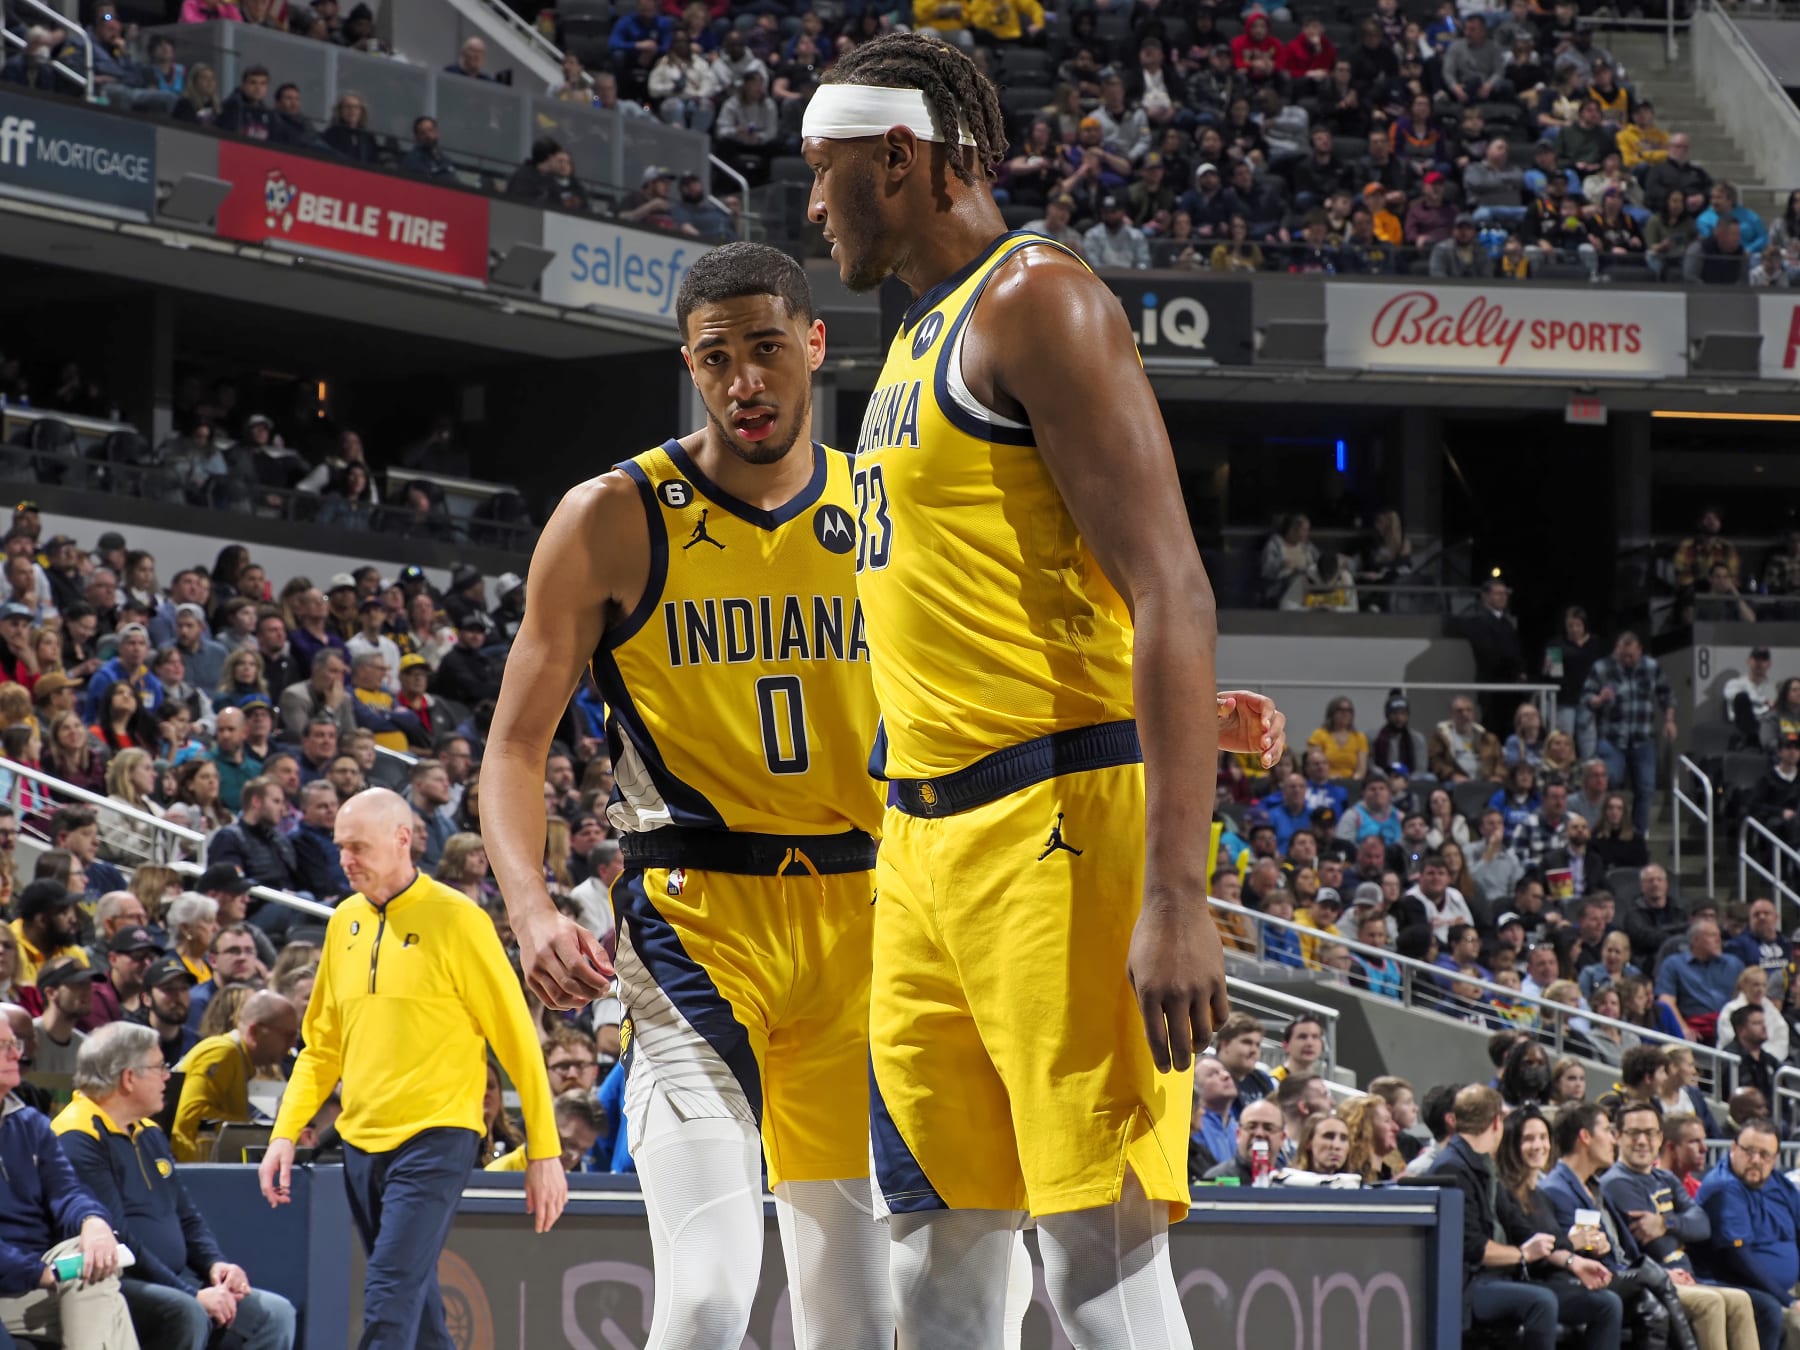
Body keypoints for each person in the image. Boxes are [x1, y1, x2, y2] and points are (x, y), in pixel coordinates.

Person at [795, 42, 1293, 1346]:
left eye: (822, 171)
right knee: (936, 1273)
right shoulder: (913, 340)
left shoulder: (1039, 302)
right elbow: (1016, 579)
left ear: (897, 159)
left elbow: (1173, 582)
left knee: (1097, 1266)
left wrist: (1179, 894)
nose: (809, 205)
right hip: (923, 852)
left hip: (1056, 832)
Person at [479, 243, 901, 1349]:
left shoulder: (890, 506)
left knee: (860, 1323)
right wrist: (529, 908)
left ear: (815, 345)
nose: (745, 380)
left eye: (767, 349)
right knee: (710, 1300)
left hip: (871, 925)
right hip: (697, 928)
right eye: (718, 358)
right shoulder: (612, 515)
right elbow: (515, 747)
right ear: (690, 365)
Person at [258, 789, 566, 1348]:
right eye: (340, 847)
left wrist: (545, 1151)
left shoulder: (459, 920)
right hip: (359, 1138)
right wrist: (283, 1132)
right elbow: (321, 1047)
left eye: (358, 847)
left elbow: (517, 1040)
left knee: (387, 1296)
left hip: (436, 1136)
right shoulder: (342, 922)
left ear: (403, 840)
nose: (345, 859)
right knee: (416, 1308)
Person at [54, 1023, 297, 1349]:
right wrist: (192, 1294)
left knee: (275, 1314)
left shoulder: (149, 1132)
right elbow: (118, 1236)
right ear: (129, 1077)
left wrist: (216, 1266)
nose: (168, 1076)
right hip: (119, 1282)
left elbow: (186, 1215)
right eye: (159, 1068)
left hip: (177, 1278)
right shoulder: (77, 1136)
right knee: (187, 1312)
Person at [0, 1018, 140, 1348]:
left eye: (14, 1046)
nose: (14, 1055)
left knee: (93, 1268)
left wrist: (93, 1222)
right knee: (104, 1293)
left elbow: (68, 1190)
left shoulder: (30, 1124)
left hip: (45, 1275)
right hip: (12, 1283)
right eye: (3, 1047)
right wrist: (41, 1274)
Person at [1435, 1085, 1604, 1350]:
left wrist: (1573, 1261)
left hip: (1495, 1277)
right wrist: (1523, 1254)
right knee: (1542, 1301)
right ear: (1496, 1123)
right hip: (1466, 1286)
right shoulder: (1453, 1167)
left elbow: (1522, 1227)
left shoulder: (1482, 1165)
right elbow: (1474, 1248)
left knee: (1598, 1303)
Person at [1694, 1117, 1800, 1350]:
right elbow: (1739, 1258)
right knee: (1788, 1317)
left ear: (1775, 1159)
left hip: (1785, 1288)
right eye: (1749, 1151)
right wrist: (1789, 1301)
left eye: (1765, 1155)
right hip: (1731, 1282)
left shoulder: (1779, 1183)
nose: (1755, 1160)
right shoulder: (1724, 1187)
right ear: (1733, 1148)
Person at [169, 990, 297, 1163]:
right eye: (287, 1035)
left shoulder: (239, 1059)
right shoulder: (222, 1052)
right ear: (255, 1031)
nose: (292, 1044)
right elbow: (192, 1115)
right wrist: (255, 1131)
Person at [1199, 1098, 1284, 1184]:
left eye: (1268, 1128)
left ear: (1282, 1138)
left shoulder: (1291, 1181)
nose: (1259, 1133)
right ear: (1238, 1134)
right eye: (1251, 1127)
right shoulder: (1216, 1179)